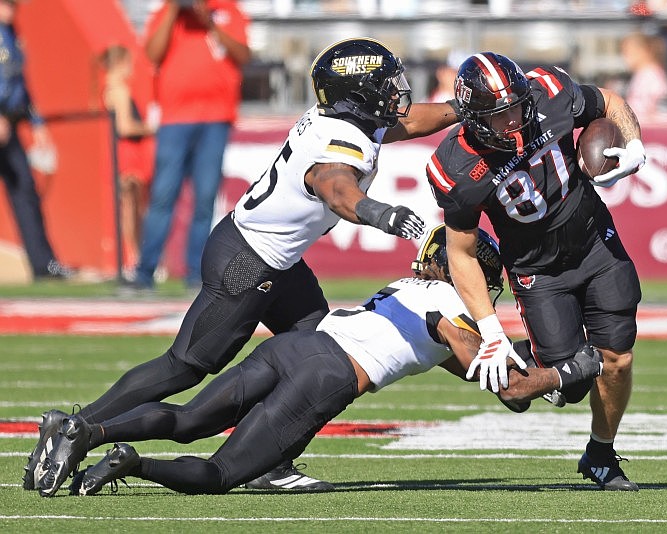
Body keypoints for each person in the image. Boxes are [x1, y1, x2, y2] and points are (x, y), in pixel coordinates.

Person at [24, 37, 461, 495]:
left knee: (312, 347)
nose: (396, 92)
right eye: (383, 85)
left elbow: (408, 121)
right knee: (184, 367)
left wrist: (467, 108)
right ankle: (75, 427)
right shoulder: (339, 142)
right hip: (249, 264)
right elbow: (336, 187)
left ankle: (272, 460)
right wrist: (378, 212)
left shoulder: (352, 120)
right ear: (356, 95)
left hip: (273, 257)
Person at [36, 224, 603, 497]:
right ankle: (130, 464)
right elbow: (505, 387)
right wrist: (576, 369)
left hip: (293, 345)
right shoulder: (455, 308)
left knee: (186, 420)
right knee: (219, 474)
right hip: (325, 374)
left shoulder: (412, 290)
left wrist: (534, 370)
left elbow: (484, 373)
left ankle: (85, 427)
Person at [425, 52, 646, 491]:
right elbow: (463, 254)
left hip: (593, 240)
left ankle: (601, 454)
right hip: (537, 270)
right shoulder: (456, 167)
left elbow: (607, 102)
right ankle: (518, 358)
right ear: (474, 118)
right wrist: (490, 332)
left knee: (615, 359)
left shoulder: (547, 91)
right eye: (501, 114)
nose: (515, 120)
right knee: (570, 381)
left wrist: (634, 144)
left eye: (518, 106)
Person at [131, 0, 251, 289]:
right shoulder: (167, 11)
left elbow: (243, 55)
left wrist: (208, 22)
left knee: (205, 199)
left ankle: (196, 275)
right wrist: (173, 11)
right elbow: (152, 53)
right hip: (175, 118)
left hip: (215, 118)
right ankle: (145, 272)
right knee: (162, 197)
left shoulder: (227, 10)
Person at [0, 0, 72, 280]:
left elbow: (20, 84)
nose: (11, 8)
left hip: (11, 123)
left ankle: (44, 264)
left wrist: (38, 123)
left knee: (26, 194)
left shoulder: (12, 34)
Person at [100, 45, 156, 271]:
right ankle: (136, 257)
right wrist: (150, 128)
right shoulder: (120, 90)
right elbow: (124, 127)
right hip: (127, 153)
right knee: (132, 207)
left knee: (129, 207)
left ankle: (134, 256)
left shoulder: (108, 88)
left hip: (121, 152)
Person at [620, 32, 667, 119]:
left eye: (627, 52)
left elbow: (649, 109)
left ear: (643, 51)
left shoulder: (651, 75)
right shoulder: (642, 74)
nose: (625, 57)